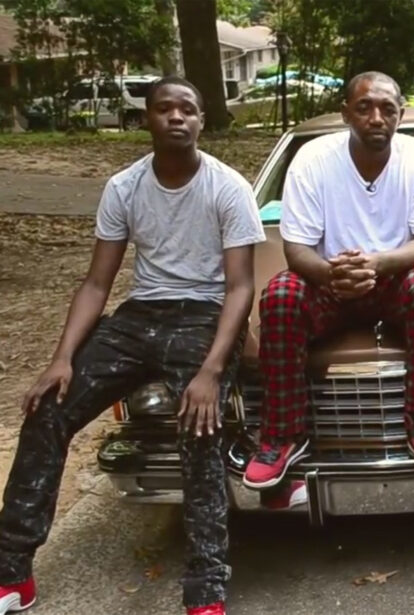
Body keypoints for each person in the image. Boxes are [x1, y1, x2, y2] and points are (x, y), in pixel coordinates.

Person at [0, 76, 264, 615]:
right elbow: (97, 283)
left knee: (199, 425)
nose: (176, 117)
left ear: (201, 121)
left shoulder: (228, 187)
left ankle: (206, 587)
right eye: (165, 108)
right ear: (148, 118)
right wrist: (61, 358)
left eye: (187, 109)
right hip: (140, 315)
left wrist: (212, 370)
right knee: (47, 408)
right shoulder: (124, 186)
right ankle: (12, 573)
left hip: (204, 315)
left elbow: (240, 287)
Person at [243, 71, 414, 489]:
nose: (376, 117)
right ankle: (283, 434)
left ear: (400, 115)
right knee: (281, 293)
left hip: (394, 281)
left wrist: (376, 265)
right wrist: (333, 275)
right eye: (364, 107)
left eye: (387, 109)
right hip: (330, 283)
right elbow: (297, 250)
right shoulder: (313, 160)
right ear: (345, 113)